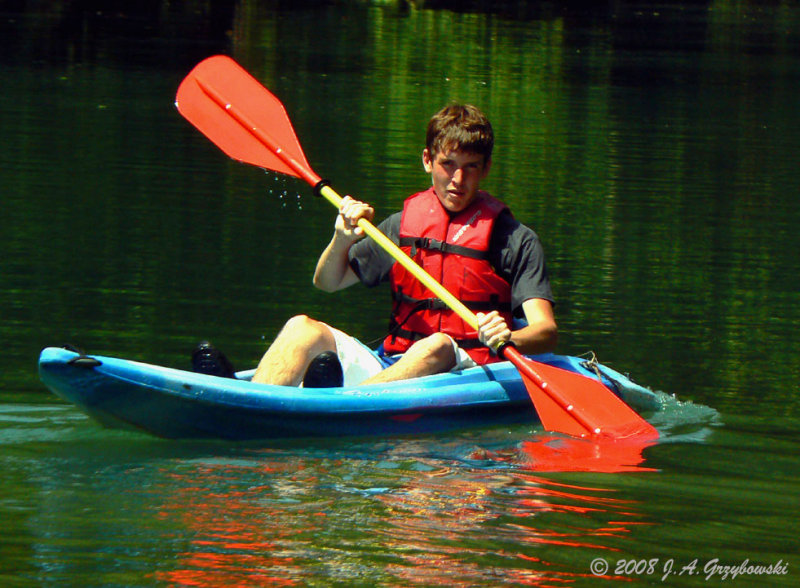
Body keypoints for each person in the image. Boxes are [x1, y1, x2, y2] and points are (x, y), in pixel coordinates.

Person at [194, 103, 557, 386]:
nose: (458, 179)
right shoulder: (403, 226)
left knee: (438, 344)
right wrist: (342, 238)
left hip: (469, 369)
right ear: (428, 160)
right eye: (448, 164)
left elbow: (545, 331)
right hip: (390, 365)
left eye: (471, 167)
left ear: (486, 168)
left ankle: (340, 404)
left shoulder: (514, 239)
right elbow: (327, 282)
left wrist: (508, 336)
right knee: (301, 326)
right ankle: (255, 397)